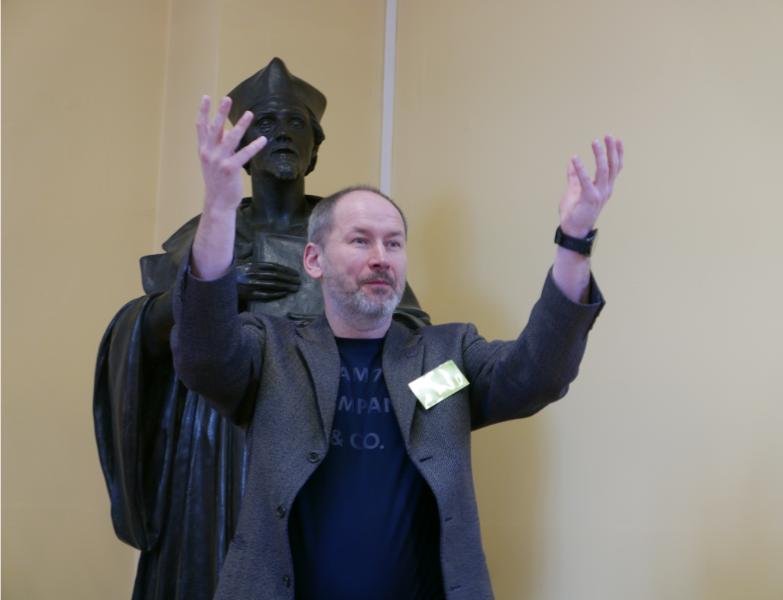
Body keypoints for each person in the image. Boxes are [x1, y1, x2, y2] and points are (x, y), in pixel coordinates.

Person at [170, 97, 623, 599]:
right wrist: (219, 210)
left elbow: (538, 374)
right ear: (314, 260)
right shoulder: (273, 352)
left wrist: (574, 241)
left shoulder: (447, 358)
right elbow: (203, 356)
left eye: (394, 243)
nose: (381, 257)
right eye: (360, 241)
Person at [94, 58, 429, 600]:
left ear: (315, 148)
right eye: (267, 122)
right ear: (243, 149)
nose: (283, 134)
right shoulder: (209, 237)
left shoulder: (347, 236)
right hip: (217, 442)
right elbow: (143, 329)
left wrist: (341, 338)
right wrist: (216, 285)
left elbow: (419, 337)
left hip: (326, 432)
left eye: (296, 123)